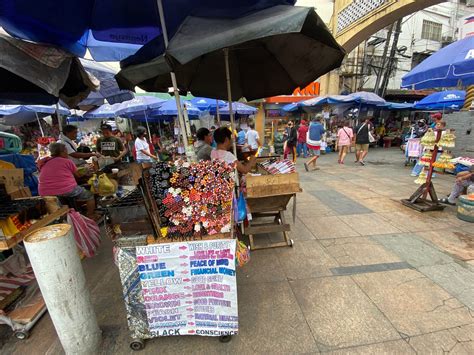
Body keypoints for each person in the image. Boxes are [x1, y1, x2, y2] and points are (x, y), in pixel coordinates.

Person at [38, 143, 96, 219]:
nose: (67, 153)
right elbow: (78, 175)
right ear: (62, 152)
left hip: (45, 192)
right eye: (66, 150)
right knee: (89, 195)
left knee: (60, 212)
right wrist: (86, 170)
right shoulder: (67, 161)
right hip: (65, 189)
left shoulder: (45, 163)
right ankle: (91, 215)